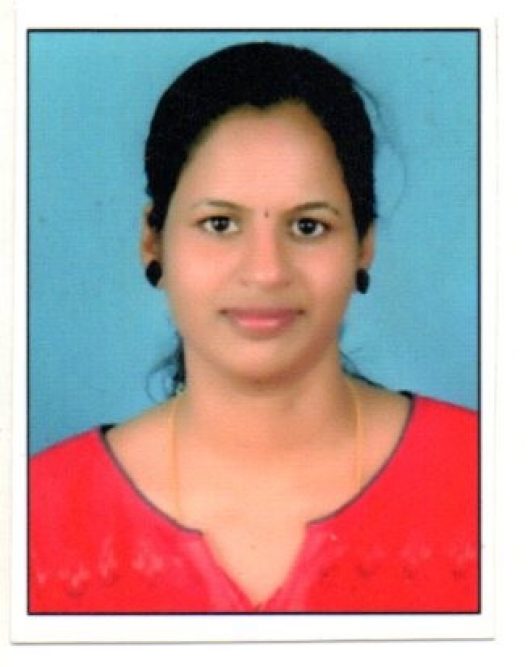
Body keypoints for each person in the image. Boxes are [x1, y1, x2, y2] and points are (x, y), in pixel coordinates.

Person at [30, 41, 478, 613]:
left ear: (364, 244)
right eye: (219, 223)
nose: (266, 271)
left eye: (309, 227)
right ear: (153, 239)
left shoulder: (490, 477)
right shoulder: (37, 515)